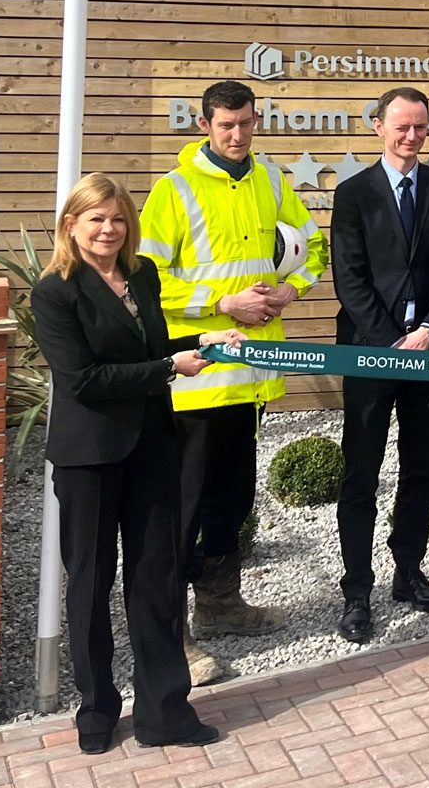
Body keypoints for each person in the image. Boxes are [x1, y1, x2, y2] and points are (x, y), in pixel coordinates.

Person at [32, 173, 235, 754]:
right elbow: (82, 381)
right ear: (71, 224)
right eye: (95, 218)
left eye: (117, 218)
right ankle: (96, 711)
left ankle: (165, 712)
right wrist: (171, 369)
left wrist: (207, 341)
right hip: (88, 458)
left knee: (157, 580)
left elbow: (152, 351)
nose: (108, 229)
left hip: (151, 446)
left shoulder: (141, 275)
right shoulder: (55, 291)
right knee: (91, 585)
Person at [139, 79, 326, 683]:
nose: (238, 135)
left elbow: (313, 247)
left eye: (246, 123)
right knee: (182, 507)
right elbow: (147, 284)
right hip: (195, 378)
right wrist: (224, 302)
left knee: (233, 500)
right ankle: (173, 635)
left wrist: (293, 289)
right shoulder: (174, 191)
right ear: (204, 125)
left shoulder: (272, 181)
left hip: (251, 377)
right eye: (226, 125)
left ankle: (219, 604)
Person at [328, 86, 429, 644]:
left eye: (420, 128)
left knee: (420, 468)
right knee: (361, 472)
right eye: (401, 127)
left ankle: (408, 573)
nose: (411, 137)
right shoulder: (354, 193)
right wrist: (392, 339)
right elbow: (350, 278)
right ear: (378, 128)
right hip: (371, 349)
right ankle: (357, 589)